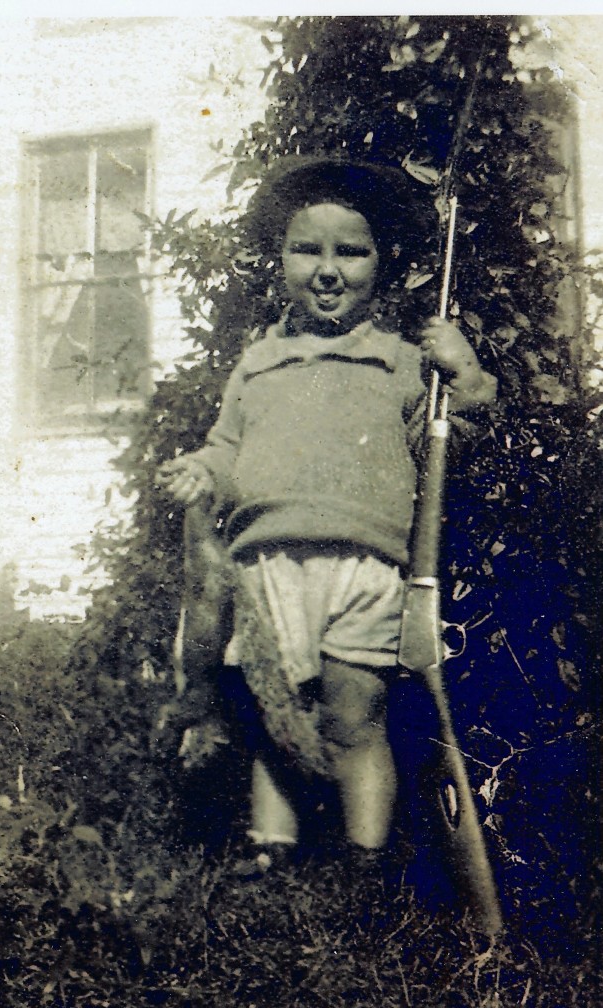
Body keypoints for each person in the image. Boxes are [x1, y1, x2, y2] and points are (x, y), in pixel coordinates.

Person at [157, 156, 497, 863]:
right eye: (306, 249)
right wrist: (200, 471)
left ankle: (362, 856)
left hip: (366, 564)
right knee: (271, 716)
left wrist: (461, 370)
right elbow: (227, 449)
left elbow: (448, 438)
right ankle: (272, 848)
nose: (327, 269)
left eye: (351, 251)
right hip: (266, 563)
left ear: (380, 263)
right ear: (280, 259)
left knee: (353, 717)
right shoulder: (258, 362)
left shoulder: (402, 362)